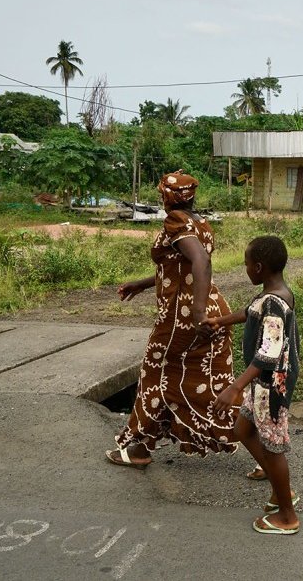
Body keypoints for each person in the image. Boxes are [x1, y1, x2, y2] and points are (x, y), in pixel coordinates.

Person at [106, 171, 238, 468]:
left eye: (162, 193)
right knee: (210, 383)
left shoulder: (176, 220)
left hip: (183, 317)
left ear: (169, 197)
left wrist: (198, 313)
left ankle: (139, 448)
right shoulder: (200, 222)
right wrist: (142, 284)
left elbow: (201, 261)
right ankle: (265, 447)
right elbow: (178, 268)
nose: (160, 198)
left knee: (155, 376)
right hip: (212, 309)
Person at [210, 235, 301, 535]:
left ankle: (287, 515)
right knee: (244, 430)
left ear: (259, 267)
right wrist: (220, 321)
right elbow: (249, 313)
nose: (245, 268)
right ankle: (280, 490)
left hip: (272, 385)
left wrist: (234, 387)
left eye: (247, 264)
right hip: (262, 382)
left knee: (273, 448)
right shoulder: (271, 294)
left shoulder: (274, 302)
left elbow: (268, 352)